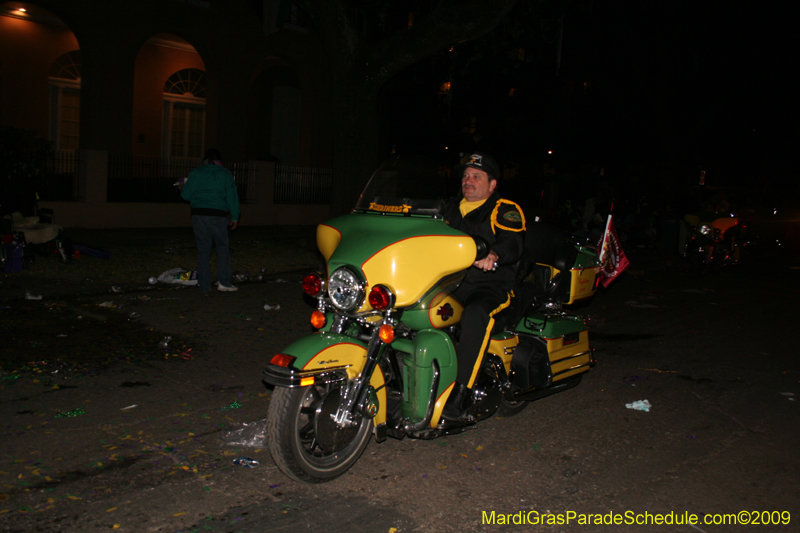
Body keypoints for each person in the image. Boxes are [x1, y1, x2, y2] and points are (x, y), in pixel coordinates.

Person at [441, 152, 526, 422]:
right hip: (450, 283)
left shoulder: (503, 209)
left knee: (475, 314)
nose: (469, 180)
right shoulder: (449, 207)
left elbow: (513, 241)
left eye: (477, 176)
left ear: (492, 184)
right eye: (466, 175)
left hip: (490, 287)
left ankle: (461, 393)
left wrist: (494, 255)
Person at [180, 148, 241, 293]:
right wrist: (234, 217)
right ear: (219, 160)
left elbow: (186, 196)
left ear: (205, 160)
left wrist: (183, 187)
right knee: (222, 248)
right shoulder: (225, 174)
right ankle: (224, 282)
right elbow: (232, 197)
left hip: (198, 214)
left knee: (203, 250)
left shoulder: (196, 173)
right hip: (218, 215)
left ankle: (205, 286)